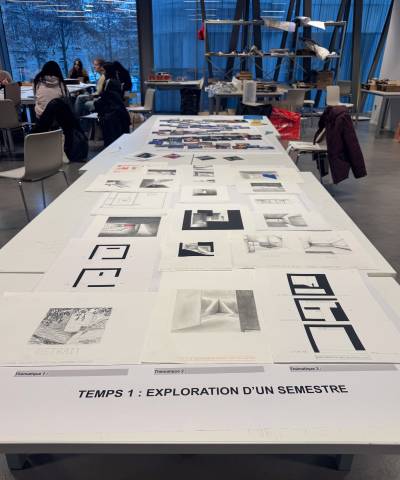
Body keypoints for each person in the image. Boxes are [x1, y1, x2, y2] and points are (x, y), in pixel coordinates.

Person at [94, 62, 130, 147]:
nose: (103, 73)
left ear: (108, 71)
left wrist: (96, 104)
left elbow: (105, 97)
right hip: (119, 111)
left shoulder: (108, 82)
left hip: (111, 112)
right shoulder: (116, 81)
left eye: (103, 71)